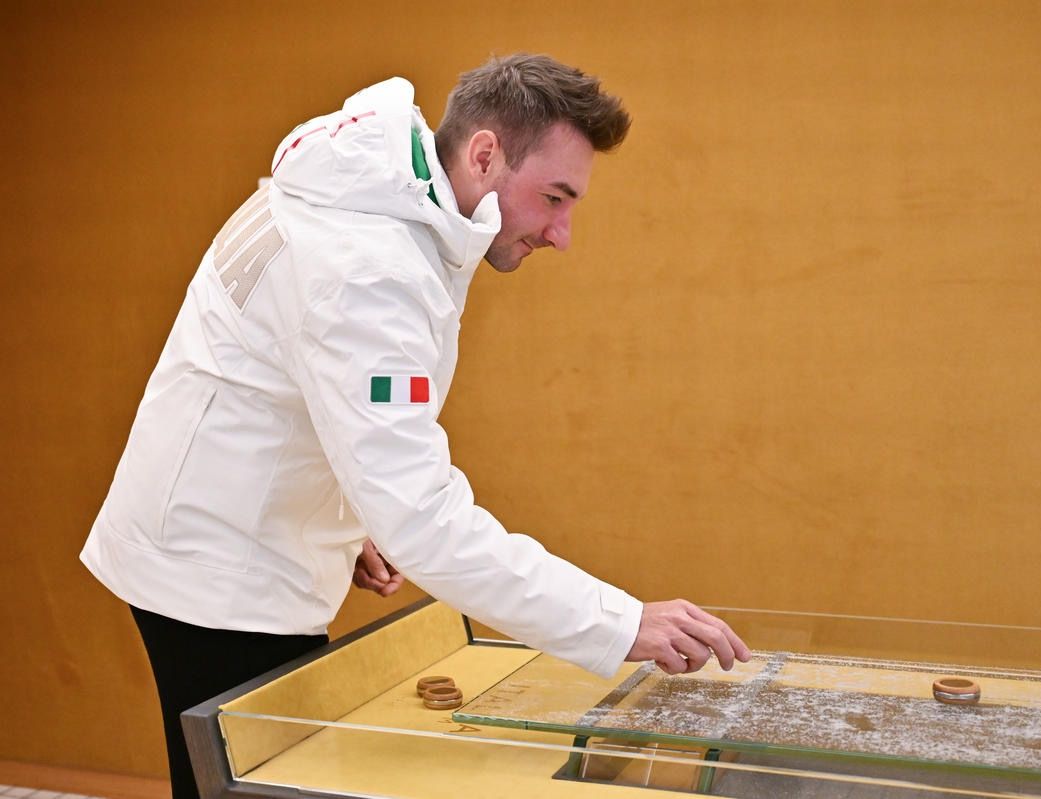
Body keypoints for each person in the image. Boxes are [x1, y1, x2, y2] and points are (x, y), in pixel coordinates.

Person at [81, 54, 749, 799]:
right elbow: (424, 519)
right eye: (554, 198)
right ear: (484, 155)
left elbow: (276, 374)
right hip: (215, 571)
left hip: (209, 527)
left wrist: (349, 505)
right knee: (240, 783)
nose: (562, 234)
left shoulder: (367, 192)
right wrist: (619, 623)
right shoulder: (367, 264)